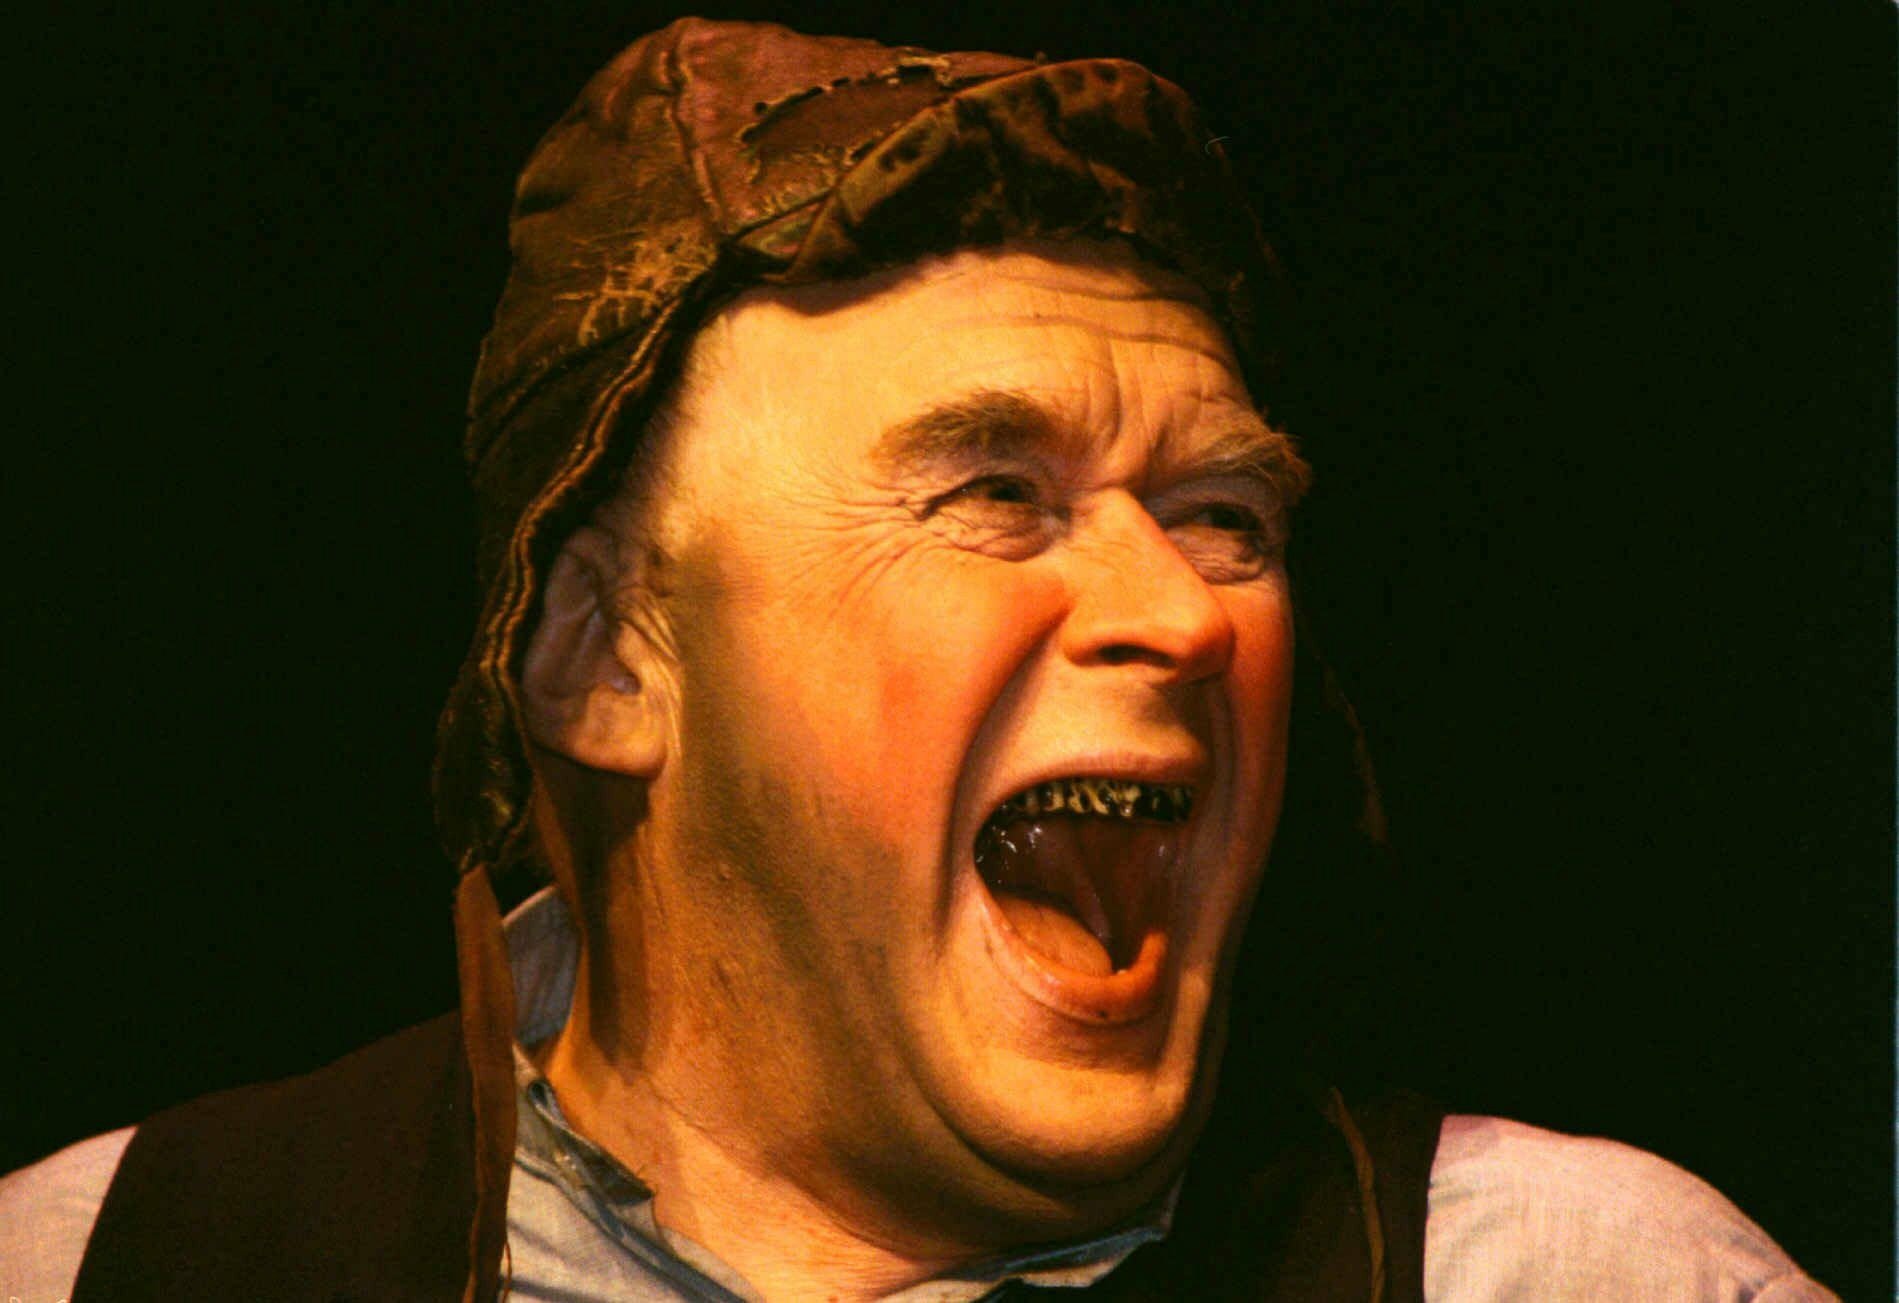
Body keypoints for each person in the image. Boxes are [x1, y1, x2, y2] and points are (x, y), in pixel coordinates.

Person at [0, 18, 1839, 1302]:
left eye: (1225, 515)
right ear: (601, 656)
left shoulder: (1587, 1282)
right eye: (994, 494)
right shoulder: (116, 1268)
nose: (1186, 615)